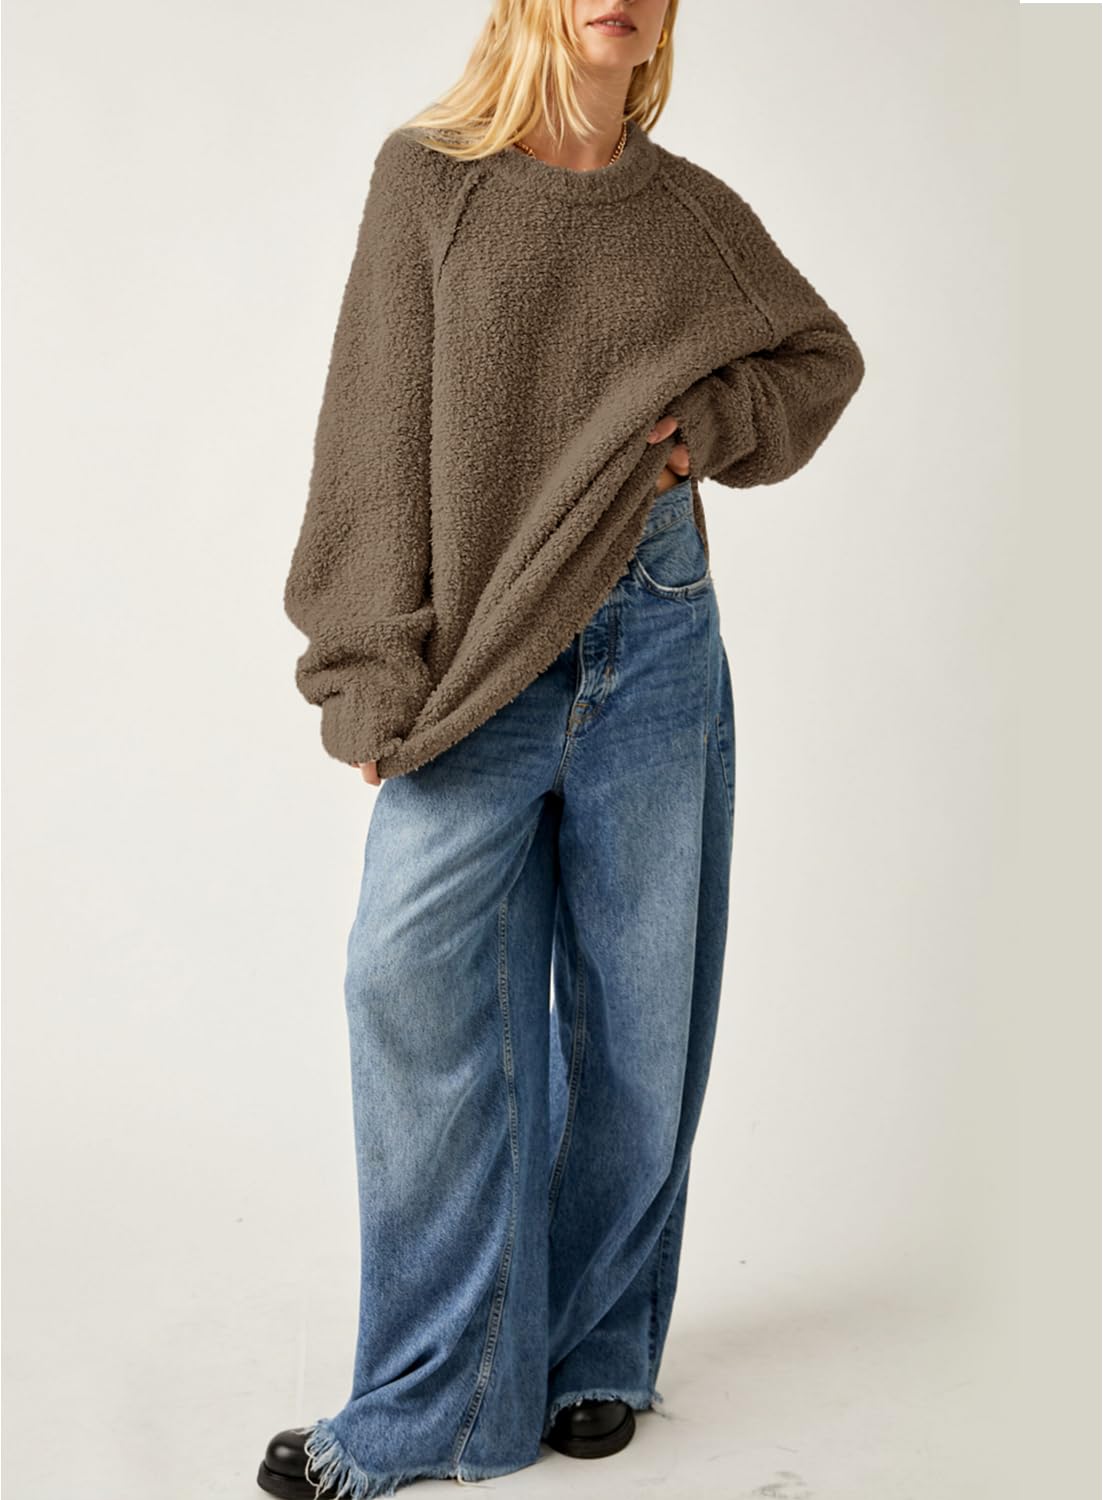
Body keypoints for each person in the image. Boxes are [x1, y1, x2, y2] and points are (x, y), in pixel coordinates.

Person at [259, 2, 864, 1496]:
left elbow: (819, 361)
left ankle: (595, 1347)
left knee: (636, 1015)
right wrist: (366, 666)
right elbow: (372, 438)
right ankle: (437, 1400)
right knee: (405, 975)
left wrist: (704, 429)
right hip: (481, 657)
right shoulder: (433, 180)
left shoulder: (686, 212)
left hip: (654, 630)